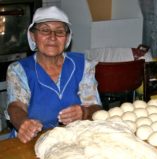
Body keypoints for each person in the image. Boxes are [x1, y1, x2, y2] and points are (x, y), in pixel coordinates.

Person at [6, 6, 102, 143]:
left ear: (67, 38)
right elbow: (16, 106)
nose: (52, 37)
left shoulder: (83, 65)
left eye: (60, 32)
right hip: (31, 142)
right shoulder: (19, 70)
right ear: (33, 36)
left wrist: (84, 112)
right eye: (45, 30)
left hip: (72, 140)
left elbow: (96, 108)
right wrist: (23, 123)